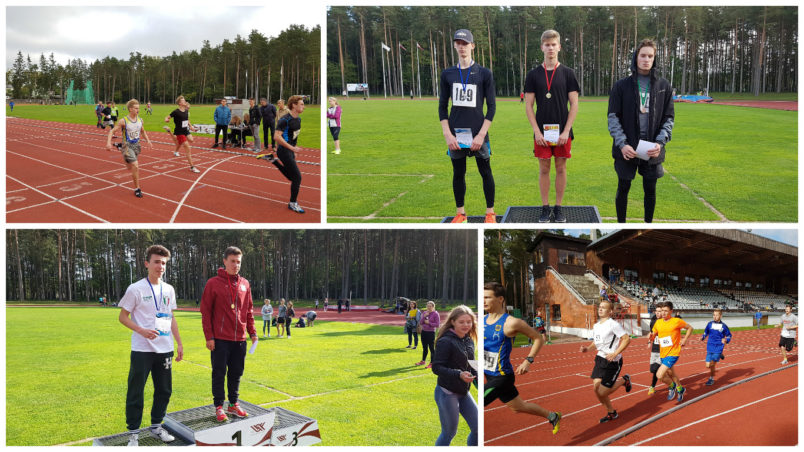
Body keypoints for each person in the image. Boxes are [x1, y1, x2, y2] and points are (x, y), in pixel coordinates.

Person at [118, 245, 183, 446]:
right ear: (147, 264)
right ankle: (133, 434)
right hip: (142, 350)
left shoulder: (169, 289)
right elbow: (122, 317)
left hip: (165, 349)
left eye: (163, 263)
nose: (160, 266)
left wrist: (179, 343)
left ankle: (156, 426)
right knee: (136, 390)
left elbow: (171, 317)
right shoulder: (135, 288)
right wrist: (142, 331)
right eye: (156, 262)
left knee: (164, 390)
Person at [608, 39, 675, 223]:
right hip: (627, 148)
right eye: (642, 55)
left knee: (650, 191)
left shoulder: (664, 86)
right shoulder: (621, 86)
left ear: (654, 59)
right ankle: (621, 225)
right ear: (635, 58)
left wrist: (660, 144)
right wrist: (622, 144)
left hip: (651, 148)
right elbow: (613, 117)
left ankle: (648, 224)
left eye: (650, 56)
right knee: (623, 187)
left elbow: (669, 119)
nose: (646, 59)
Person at [483, 282, 561, 434]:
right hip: (488, 374)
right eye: (482, 297)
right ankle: (553, 416)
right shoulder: (483, 320)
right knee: (518, 407)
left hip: (502, 376)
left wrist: (528, 360)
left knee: (478, 402)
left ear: (500, 299)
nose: (483, 301)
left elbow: (538, 338)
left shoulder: (512, 323)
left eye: (487, 297)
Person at [439, 29, 497, 224]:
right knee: (458, 174)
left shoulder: (484, 73)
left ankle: (490, 213)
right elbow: (442, 107)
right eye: (458, 43)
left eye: (465, 43)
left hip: (479, 134)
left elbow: (492, 107)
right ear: (455, 46)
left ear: (472, 46)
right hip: (456, 135)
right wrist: (448, 135)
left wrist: (481, 135)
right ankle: (460, 213)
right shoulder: (448, 74)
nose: (462, 47)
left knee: (486, 173)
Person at [524, 29, 580, 223]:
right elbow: (529, 106)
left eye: (553, 44)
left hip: (563, 132)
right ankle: (545, 208)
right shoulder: (533, 75)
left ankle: (558, 208)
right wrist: (536, 132)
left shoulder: (568, 73)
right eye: (547, 45)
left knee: (561, 168)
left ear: (559, 47)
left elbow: (574, 104)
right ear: (542, 47)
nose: (550, 48)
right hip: (542, 132)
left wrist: (566, 131)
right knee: (544, 169)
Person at [200, 246, 258, 422]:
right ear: (224, 261)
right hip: (219, 339)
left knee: (236, 373)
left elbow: (249, 310)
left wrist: (252, 332)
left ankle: (233, 403)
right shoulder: (213, 283)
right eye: (232, 261)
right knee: (219, 373)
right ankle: (219, 406)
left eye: (238, 261)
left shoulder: (245, 284)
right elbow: (206, 312)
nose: (236, 265)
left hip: (239, 339)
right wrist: (209, 337)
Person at [431, 305, 478, 446]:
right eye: (461, 322)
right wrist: (459, 374)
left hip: (463, 391)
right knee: (449, 433)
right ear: (453, 322)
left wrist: (480, 378)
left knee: (478, 429)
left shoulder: (469, 340)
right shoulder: (445, 341)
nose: (466, 325)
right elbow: (436, 367)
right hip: (447, 393)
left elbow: (471, 362)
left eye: (468, 322)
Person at [580, 300, 632, 423]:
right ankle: (611, 412)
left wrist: (615, 353)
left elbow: (626, 339)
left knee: (603, 391)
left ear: (610, 312)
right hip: (600, 359)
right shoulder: (596, 325)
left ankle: (624, 380)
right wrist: (587, 348)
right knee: (596, 389)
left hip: (612, 361)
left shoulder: (613, 324)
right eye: (600, 307)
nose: (600, 309)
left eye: (604, 308)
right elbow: (596, 343)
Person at [259, 95, 306, 214]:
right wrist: (291, 148)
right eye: (301, 104)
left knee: (292, 177)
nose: (303, 106)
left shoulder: (298, 119)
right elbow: (276, 137)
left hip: (289, 150)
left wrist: (293, 149)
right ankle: (293, 203)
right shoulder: (284, 120)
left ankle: (273, 160)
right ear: (294, 105)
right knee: (297, 177)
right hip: (283, 151)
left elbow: (294, 137)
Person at [106, 99, 153, 198]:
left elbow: (143, 131)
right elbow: (111, 131)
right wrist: (108, 143)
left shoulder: (140, 120)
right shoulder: (124, 121)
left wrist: (148, 140)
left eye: (138, 108)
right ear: (130, 109)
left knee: (129, 168)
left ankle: (121, 149)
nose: (138, 110)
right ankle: (137, 189)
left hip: (137, 145)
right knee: (135, 166)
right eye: (136, 108)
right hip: (127, 145)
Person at [648, 301, 693, 403]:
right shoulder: (658, 322)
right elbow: (653, 334)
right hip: (663, 352)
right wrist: (651, 336)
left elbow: (690, 328)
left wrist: (685, 339)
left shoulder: (676, 321)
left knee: (659, 375)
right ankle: (680, 389)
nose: (663, 313)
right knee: (671, 374)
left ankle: (672, 386)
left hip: (673, 352)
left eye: (666, 311)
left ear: (671, 311)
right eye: (662, 310)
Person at [164, 95, 200, 173]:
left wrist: (191, 127)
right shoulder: (176, 112)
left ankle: (179, 141)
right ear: (180, 103)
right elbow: (167, 117)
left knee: (191, 140)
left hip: (185, 130)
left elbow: (187, 120)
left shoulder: (186, 111)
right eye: (183, 100)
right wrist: (166, 119)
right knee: (188, 148)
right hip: (179, 132)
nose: (185, 101)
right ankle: (192, 167)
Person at [701, 308, 732, 385]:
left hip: (718, 347)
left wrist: (726, 340)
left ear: (720, 316)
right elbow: (705, 332)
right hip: (710, 346)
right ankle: (720, 355)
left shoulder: (724, 326)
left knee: (712, 364)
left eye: (716, 315)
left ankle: (711, 378)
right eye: (713, 315)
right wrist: (702, 337)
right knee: (707, 365)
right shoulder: (709, 324)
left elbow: (729, 336)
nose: (714, 317)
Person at [417, 301, 441, 367]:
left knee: (431, 348)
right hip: (424, 332)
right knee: (424, 347)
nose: (429, 307)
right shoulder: (424, 313)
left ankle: (432, 363)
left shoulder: (436, 314)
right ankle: (423, 361)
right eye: (427, 306)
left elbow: (437, 324)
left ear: (433, 307)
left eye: (430, 306)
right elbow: (421, 322)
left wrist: (429, 323)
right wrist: (424, 316)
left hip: (431, 333)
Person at [646, 302, 663, 395]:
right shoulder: (653, 321)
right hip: (654, 349)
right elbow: (651, 333)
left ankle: (652, 386)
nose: (657, 313)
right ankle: (673, 383)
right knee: (653, 370)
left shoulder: (665, 322)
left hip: (663, 350)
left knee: (657, 370)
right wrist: (649, 341)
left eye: (659, 311)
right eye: (656, 311)